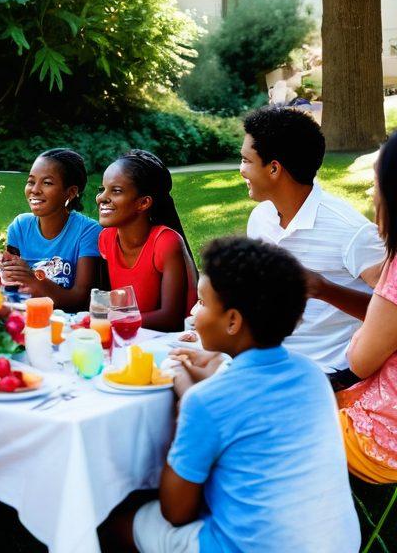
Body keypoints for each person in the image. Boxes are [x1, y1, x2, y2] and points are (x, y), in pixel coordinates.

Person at [103, 237, 360, 553]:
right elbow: (248, 405)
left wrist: (186, 402)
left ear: (233, 321)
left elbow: (176, 512)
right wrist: (200, 385)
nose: (193, 313)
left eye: (202, 303)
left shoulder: (205, 402)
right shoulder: (312, 375)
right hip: (338, 544)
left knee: (116, 523)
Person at [241, 103, 382, 386]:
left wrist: (323, 289)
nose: (241, 170)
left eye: (246, 160)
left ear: (274, 169)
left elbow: (390, 313)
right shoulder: (260, 218)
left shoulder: (351, 231)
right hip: (271, 359)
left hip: (331, 374)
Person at [307, 131, 397, 484]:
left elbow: (359, 360)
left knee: (266, 417)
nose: (372, 194)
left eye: (377, 184)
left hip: (383, 438)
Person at [96, 150, 197, 331]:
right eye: (102, 189)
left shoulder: (166, 242)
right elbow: (104, 301)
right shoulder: (106, 238)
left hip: (173, 342)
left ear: (143, 203)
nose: (101, 198)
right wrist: (98, 317)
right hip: (129, 336)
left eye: (116, 191)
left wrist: (109, 320)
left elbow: (171, 319)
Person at [2, 148, 101, 312]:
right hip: (25, 317)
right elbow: (12, 286)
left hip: (67, 322)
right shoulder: (20, 226)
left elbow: (81, 299)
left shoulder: (88, 231)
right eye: (31, 181)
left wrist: (34, 279)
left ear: (71, 192)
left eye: (47, 183)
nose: (35, 190)